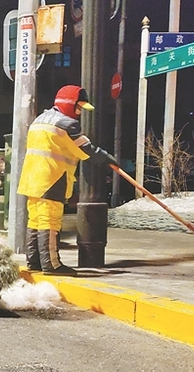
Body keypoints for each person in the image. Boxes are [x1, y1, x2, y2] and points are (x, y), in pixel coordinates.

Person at [17, 85, 118, 275]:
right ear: (69, 104)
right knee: (50, 221)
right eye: (79, 107)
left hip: (32, 178)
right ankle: (51, 264)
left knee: (36, 220)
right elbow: (85, 149)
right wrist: (106, 159)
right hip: (51, 178)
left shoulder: (40, 119)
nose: (79, 112)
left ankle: (35, 261)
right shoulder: (67, 124)